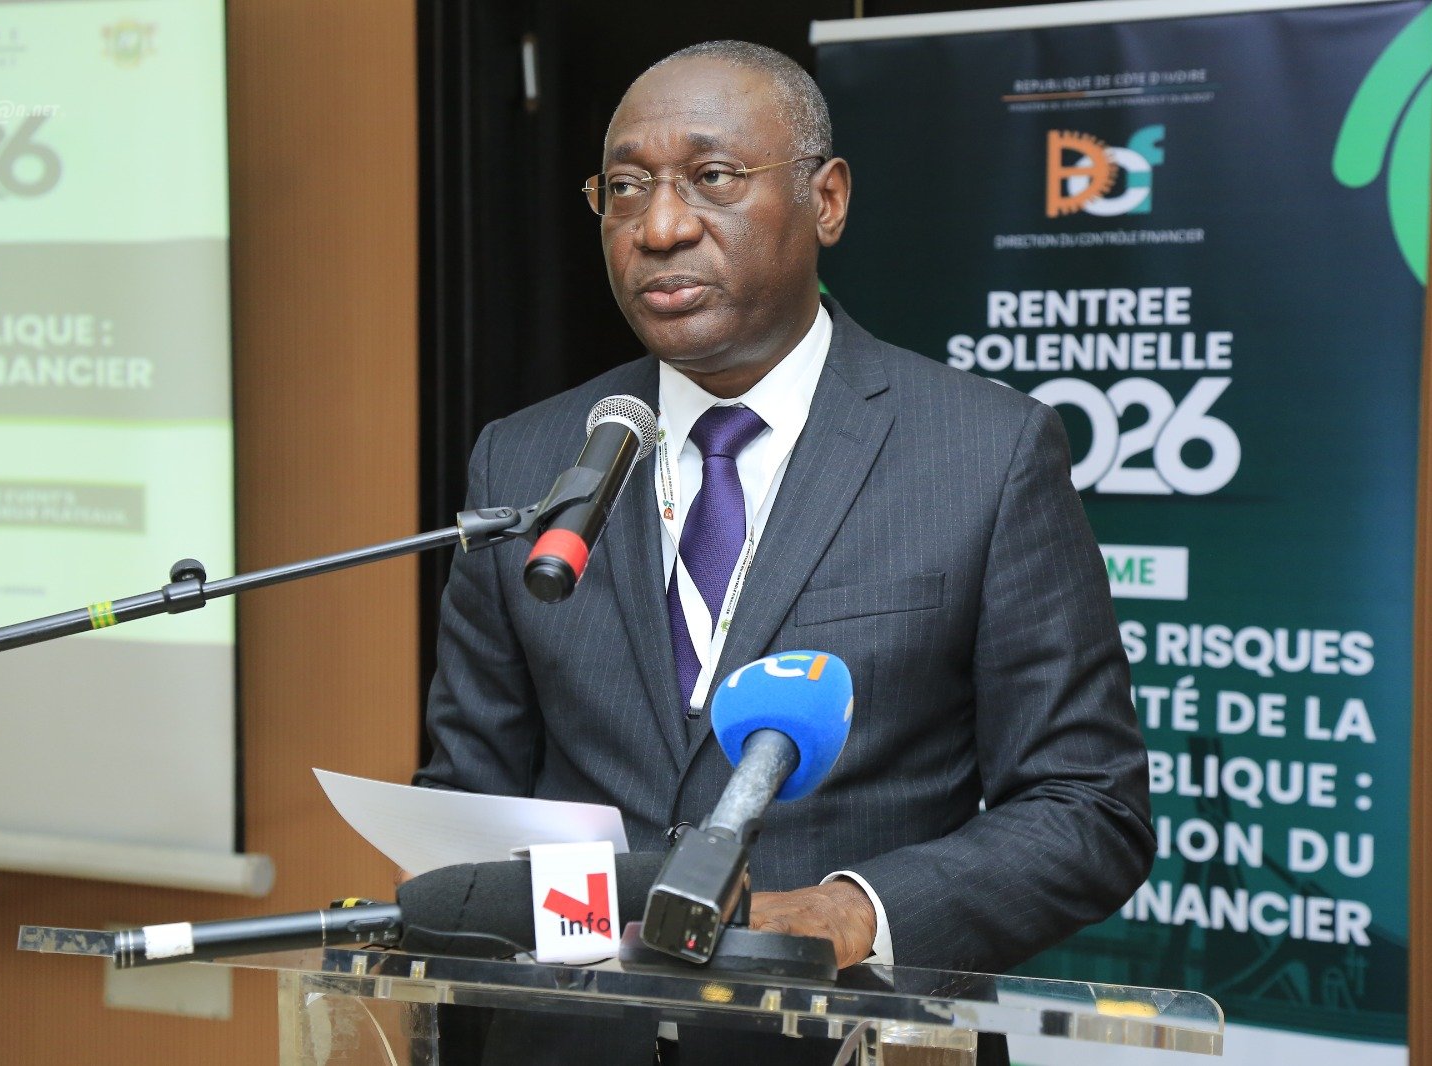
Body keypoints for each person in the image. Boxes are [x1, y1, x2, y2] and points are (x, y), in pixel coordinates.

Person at [415, 40, 1154, 1065]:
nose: (660, 228)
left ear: (827, 199)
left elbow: (1089, 807)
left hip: (847, 1042)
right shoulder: (530, 457)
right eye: (624, 189)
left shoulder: (982, 454)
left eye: (712, 178)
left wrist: (856, 910)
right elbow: (469, 794)